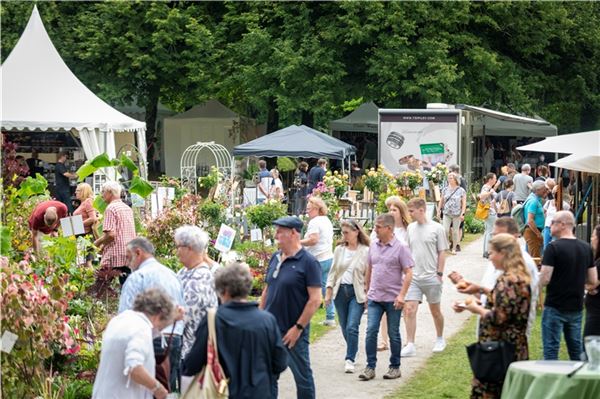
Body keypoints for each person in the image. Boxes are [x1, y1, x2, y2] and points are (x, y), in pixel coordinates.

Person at [182, 263, 288, 399]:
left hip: (223, 391)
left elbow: (193, 363)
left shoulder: (214, 320)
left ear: (224, 290)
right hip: (260, 392)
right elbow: (280, 362)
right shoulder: (267, 320)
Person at [452, 234, 531, 398]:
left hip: (500, 352)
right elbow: (506, 303)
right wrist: (479, 289)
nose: (490, 258)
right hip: (513, 347)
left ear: (503, 253)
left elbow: (499, 317)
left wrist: (475, 308)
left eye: (491, 253)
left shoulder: (509, 280)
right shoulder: (517, 277)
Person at [260, 216, 321, 399]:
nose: (276, 235)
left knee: (302, 376)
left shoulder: (308, 262)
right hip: (270, 329)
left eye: (280, 231)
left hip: (292, 331)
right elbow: (267, 290)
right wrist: (260, 318)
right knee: (269, 375)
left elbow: (315, 300)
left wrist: (298, 328)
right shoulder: (275, 257)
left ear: (294, 233)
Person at [450, 217, 539, 339]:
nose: (495, 240)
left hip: (506, 340)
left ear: (513, 237)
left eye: (499, 236)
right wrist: (476, 290)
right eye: (494, 235)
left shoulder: (522, 267)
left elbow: (505, 315)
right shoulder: (500, 263)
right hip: (492, 338)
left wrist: (477, 309)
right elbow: (499, 297)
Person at [118, 237, 186, 393]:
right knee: (168, 389)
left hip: (148, 340)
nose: (128, 263)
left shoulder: (137, 277)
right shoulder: (172, 275)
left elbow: (125, 315)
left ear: (138, 252)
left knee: (147, 391)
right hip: (174, 339)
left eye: (129, 257)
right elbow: (181, 309)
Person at [92, 288, 175, 399]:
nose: (158, 330)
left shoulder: (118, 321)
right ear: (158, 315)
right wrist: (158, 388)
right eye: (161, 325)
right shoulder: (141, 328)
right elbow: (134, 368)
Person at [360, 213, 414, 381]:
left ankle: (395, 366)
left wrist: (402, 295)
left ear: (388, 228)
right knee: (370, 332)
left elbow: (409, 272)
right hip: (375, 297)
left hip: (393, 299)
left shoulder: (401, 247)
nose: (374, 229)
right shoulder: (373, 245)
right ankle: (370, 367)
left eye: (378, 226)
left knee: (393, 333)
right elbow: (370, 267)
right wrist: (367, 291)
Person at [540, 211, 598, 360]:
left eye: (553, 222)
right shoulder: (586, 248)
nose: (550, 225)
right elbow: (593, 280)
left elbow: (545, 277)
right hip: (576, 307)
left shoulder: (552, 248)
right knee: (576, 351)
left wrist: (533, 287)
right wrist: (577, 283)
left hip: (554, 306)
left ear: (563, 224)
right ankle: (577, 382)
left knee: (551, 350)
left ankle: (552, 383)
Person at [402, 198, 448, 357]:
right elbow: (407, 250)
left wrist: (439, 273)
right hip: (414, 276)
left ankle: (440, 338)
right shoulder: (410, 228)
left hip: (431, 276)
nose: (409, 214)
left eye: (411, 211)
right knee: (409, 309)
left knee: (435, 310)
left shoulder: (437, 228)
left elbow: (442, 251)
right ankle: (410, 344)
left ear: (421, 210)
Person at [324, 220, 370, 373]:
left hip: (356, 293)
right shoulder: (339, 250)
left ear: (356, 231)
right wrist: (328, 292)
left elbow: (369, 275)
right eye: (342, 233)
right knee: (344, 326)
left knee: (352, 326)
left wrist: (368, 294)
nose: (344, 235)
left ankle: (350, 358)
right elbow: (333, 272)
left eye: (347, 232)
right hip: (340, 292)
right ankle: (353, 348)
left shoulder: (366, 250)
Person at [174, 225, 219, 361]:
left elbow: (184, 315)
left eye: (178, 247)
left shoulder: (200, 278)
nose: (177, 252)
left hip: (194, 352)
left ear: (189, 248)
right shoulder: (184, 272)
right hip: (185, 349)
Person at [301, 197, 335, 326]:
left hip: (317, 259)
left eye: (309, 209)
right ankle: (330, 316)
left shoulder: (315, 222)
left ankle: (304, 315)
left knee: (307, 287)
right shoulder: (326, 220)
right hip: (328, 257)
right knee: (327, 287)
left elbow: (313, 240)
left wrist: (297, 243)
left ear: (316, 209)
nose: (307, 212)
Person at [94, 181, 136, 285]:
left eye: (103, 192)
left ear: (110, 192)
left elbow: (111, 235)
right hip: (128, 251)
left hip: (115, 253)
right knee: (127, 285)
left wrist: (98, 243)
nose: (102, 195)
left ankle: (100, 301)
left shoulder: (110, 208)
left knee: (101, 284)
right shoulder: (127, 208)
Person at [437, 172, 466, 254]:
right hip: (446, 213)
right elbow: (441, 200)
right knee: (445, 230)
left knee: (455, 231)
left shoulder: (461, 190)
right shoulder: (445, 189)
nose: (449, 179)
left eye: (451, 177)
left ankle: (454, 248)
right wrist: (439, 210)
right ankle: (447, 244)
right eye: (448, 177)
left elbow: (464, 203)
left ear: (455, 179)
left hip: (457, 213)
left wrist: (462, 213)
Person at [73, 183, 98, 266]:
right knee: (82, 262)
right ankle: (86, 278)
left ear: (84, 191)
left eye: (78, 190)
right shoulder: (83, 203)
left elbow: (93, 218)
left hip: (86, 235)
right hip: (81, 234)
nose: (75, 192)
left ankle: (93, 278)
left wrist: (78, 224)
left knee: (87, 262)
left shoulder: (88, 201)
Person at [522, 180, 548, 258]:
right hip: (532, 231)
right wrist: (538, 233)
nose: (545, 191)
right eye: (544, 189)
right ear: (538, 190)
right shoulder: (533, 201)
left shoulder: (535, 199)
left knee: (533, 255)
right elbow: (530, 220)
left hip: (532, 231)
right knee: (535, 258)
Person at [479, 173, 500, 258]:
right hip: (490, 212)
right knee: (491, 231)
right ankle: (488, 251)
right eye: (495, 178)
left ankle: (486, 251)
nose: (496, 180)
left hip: (489, 211)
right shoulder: (486, 187)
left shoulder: (488, 187)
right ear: (490, 179)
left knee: (488, 231)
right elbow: (482, 196)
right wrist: (490, 192)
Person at [542, 185, 570, 251]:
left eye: (556, 193)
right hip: (547, 227)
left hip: (557, 228)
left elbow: (567, 216)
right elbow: (543, 212)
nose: (555, 194)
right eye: (553, 193)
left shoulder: (565, 205)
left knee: (555, 247)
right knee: (546, 247)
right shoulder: (548, 202)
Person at [584, 224, 600, 338]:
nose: (591, 238)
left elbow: (592, 284)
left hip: (596, 313)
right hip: (594, 310)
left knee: (590, 345)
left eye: (593, 236)